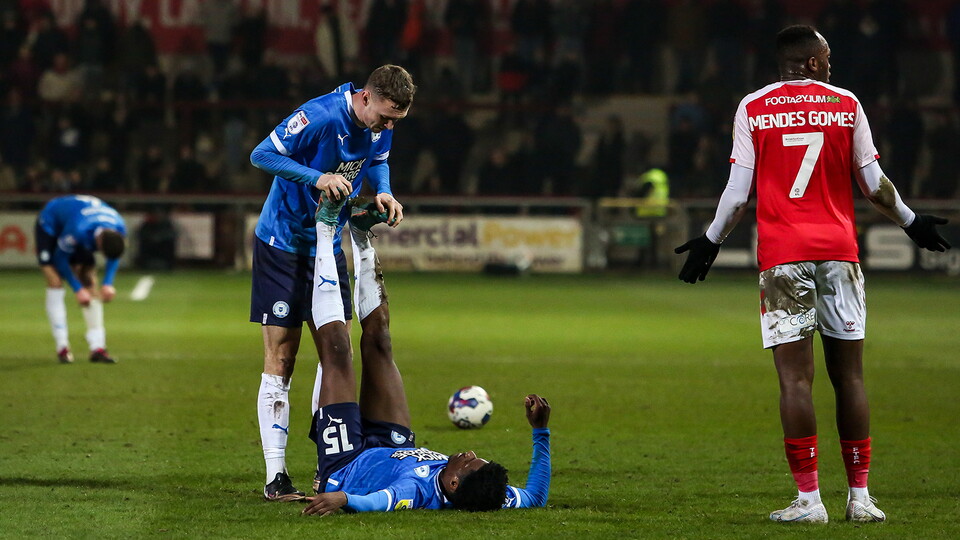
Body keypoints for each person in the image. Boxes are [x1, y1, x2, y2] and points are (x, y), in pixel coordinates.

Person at [674, 25, 951, 524]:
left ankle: (810, 501)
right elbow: (873, 184)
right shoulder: (846, 104)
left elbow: (737, 196)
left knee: (795, 382)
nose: (832, 63)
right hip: (840, 254)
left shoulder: (753, 107)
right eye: (828, 55)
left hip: (783, 258)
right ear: (815, 63)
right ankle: (861, 499)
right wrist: (911, 221)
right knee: (850, 377)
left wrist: (710, 241)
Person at [301, 207, 551, 514]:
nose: (470, 453)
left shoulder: (417, 491)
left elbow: (383, 500)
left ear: (454, 484)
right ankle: (360, 236)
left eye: (470, 461)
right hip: (393, 445)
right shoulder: (490, 491)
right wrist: (540, 431)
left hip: (347, 464)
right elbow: (535, 497)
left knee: (338, 351)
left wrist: (345, 499)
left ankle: (325, 231)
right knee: (380, 342)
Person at [248, 64, 414, 501]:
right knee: (282, 359)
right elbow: (261, 154)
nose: (390, 124)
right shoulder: (320, 116)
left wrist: (383, 191)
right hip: (282, 243)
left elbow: (378, 162)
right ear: (366, 96)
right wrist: (316, 177)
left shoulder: (382, 125)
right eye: (387, 115)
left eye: (398, 119)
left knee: (334, 354)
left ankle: (328, 464)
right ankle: (276, 475)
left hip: (327, 247)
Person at [35, 194, 127, 364]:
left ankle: (98, 348)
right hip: (51, 223)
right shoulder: (79, 230)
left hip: (78, 220)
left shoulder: (119, 226)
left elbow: (114, 256)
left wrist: (108, 284)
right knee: (55, 282)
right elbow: (60, 259)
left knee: (90, 281)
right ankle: (62, 347)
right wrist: (77, 289)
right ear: (98, 242)